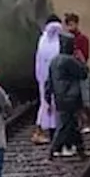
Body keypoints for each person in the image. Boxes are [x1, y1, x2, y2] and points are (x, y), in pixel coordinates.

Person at [48, 32, 90, 159]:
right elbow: (83, 73)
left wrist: (47, 98)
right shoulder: (70, 60)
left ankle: (80, 150)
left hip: (59, 97)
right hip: (71, 97)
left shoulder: (54, 61)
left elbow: (49, 81)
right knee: (66, 125)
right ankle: (53, 150)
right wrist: (81, 61)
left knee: (71, 124)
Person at [33, 17, 64, 145]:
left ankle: (47, 133)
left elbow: (38, 62)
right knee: (55, 106)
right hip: (57, 79)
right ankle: (50, 133)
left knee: (46, 105)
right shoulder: (60, 40)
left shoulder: (43, 40)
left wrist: (39, 77)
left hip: (44, 79)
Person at [64, 12, 90, 134]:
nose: (71, 27)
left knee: (85, 99)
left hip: (81, 71)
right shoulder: (66, 40)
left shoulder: (82, 39)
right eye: (69, 24)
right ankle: (82, 122)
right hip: (71, 73)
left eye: (72, 24)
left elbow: (85, 56)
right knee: (75, 100)